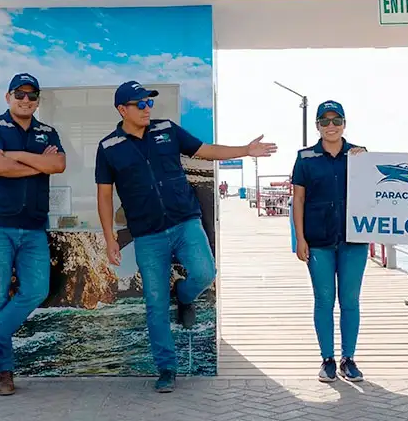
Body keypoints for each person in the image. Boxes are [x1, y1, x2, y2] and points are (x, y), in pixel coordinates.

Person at [95, 80, 277, 393]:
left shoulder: (167, 129)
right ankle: (166, 368)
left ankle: (184, 294)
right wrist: (110, 238)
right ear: (122, 109)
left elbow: (206, 151)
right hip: (148, 236)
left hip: (185, 223)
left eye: (149, 102)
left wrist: (246, 150)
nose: (147, 108)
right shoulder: (108, 147)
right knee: (154, 304)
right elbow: (103, 196)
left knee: (206, 272)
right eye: (140, 104)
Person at [0, 73, 66, 396]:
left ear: (37, 100)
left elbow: (59, 164)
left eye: (31, 95)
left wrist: (16, 156)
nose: (25, 100)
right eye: (19, 94)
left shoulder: (47, 132)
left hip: (34, 225)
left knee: (35, 290)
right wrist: (38, 164)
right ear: (8, 97)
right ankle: (3, 373)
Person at [291, 100, 369, 383]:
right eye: (325, 122)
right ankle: (327, 359)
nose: (331, 126)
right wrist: (300, 239)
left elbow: (381, 193)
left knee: (350, 301)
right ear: (317, 126)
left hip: (354, 241)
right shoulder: (305, 158)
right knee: (324, 301)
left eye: (337, 121)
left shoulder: (360, 155)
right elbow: (298, 199)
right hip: (318, 242)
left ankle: (349, 359)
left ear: (345, 124)